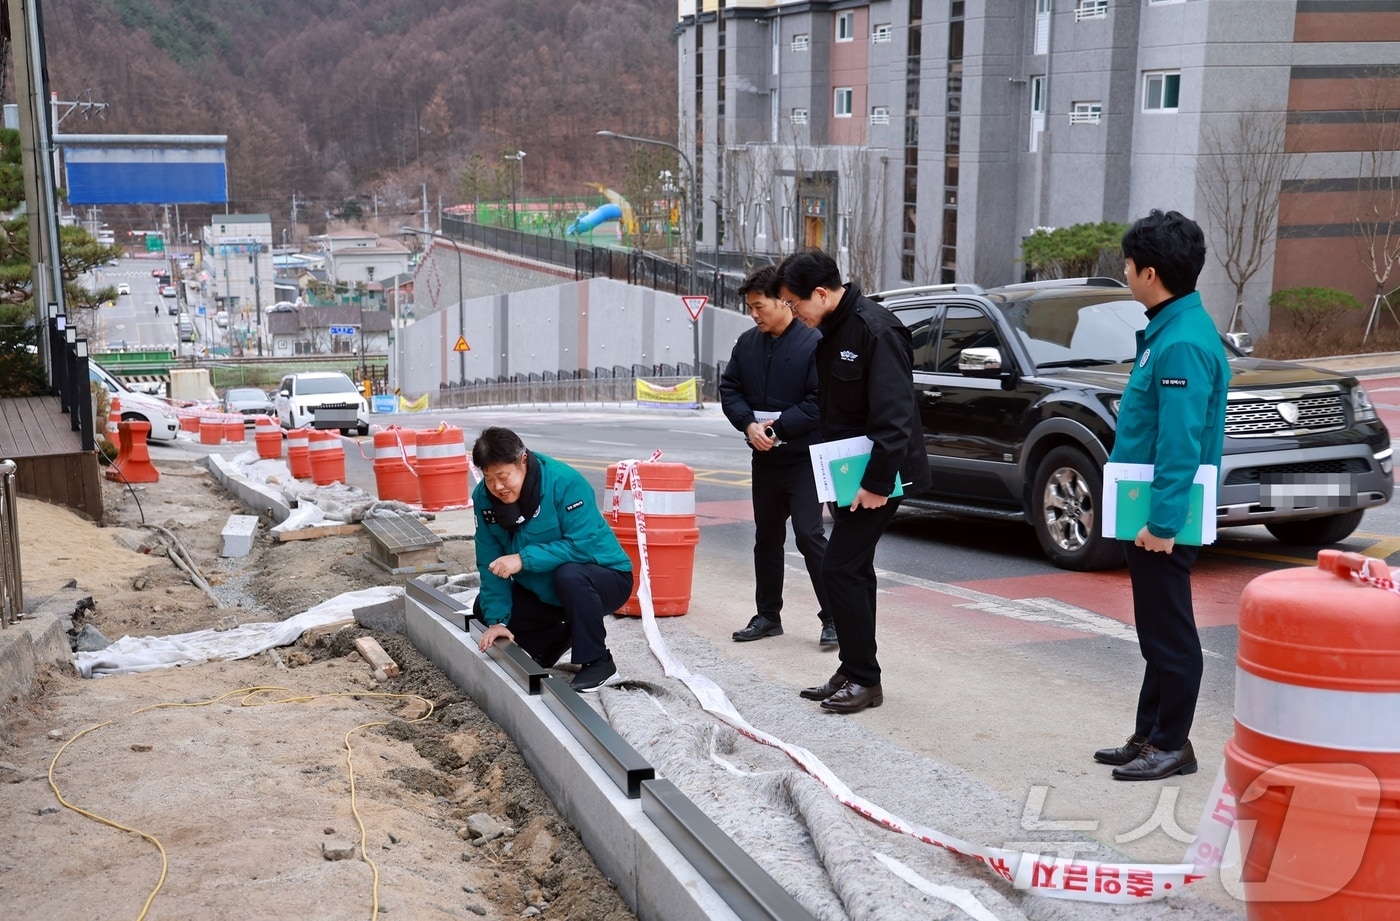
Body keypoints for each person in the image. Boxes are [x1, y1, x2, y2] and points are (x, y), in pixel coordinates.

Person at [1093, 210, 1229, 780]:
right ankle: (1150, 734)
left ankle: (1173, 744)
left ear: (1149, 272)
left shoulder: (1181, 344)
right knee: (1155, 630)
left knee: (1170, 633)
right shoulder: (1169, 330)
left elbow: (1182, 441)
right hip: (1148, 507)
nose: (1124, 271)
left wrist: (1165, 521)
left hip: (1162, 515)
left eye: (1127, 264)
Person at [774, 249, 929, 713]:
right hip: (847, 474)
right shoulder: (832, 330)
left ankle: (865, 678)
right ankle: (852, 668)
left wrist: (877, 484)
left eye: (795, 304)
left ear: (820, 293)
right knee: (853, 570)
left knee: (839, 567)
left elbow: (896, 417)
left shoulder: (874, 330)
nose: (794, 314)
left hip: (877, 477)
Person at [720, 265, 834, 647]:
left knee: (809, 535)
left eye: (759, 306)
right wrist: (748, 425)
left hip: (803, 458)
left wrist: (778, 429)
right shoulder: (747, 343)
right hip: (764, 459)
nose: (754, 314)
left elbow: (821, 401)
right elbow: (730, 388)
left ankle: (834, 617)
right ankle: (768, 615)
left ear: (782, 302)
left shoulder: (814, 341)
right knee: (766, 537)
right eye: (750, 308)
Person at [470, 426, 634, 692]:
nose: (497, 487)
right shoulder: (483, 498)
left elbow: (582, 546)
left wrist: (523, 559)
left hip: (602, 577)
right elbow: (489, 562)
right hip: (545, 588)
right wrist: (498, 622)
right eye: (489, 479)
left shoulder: (564, 482)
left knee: (570, 575)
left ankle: (598, 660)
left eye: (503, 476)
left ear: (523, 460)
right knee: (484, 607)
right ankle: (554, 641)